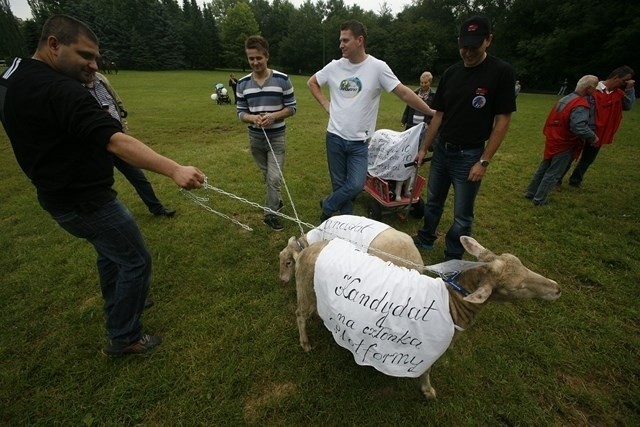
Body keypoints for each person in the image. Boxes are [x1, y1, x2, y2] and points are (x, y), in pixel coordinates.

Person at [0, 15, 205, 356]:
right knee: (136, 260)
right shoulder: (61, 90)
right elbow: (115, 140)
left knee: (111, 253)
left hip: (56, 196)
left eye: (96, 57)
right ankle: (124, 336)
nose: (94, 65)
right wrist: (174, 170)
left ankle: (122, 302)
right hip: (86, 201)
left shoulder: (12, 75)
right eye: (85, 56)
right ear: (54, 45)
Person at [308, 20, 435, 221]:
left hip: (360, 143)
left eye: (345, 40)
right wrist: (326, 105)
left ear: (360, 40)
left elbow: (403, 92)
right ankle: (344, 223)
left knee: (357, 185)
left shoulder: (377, 68)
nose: (341, 44)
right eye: (340, 40)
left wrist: (430, 111)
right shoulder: (334, 66)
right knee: (339, 185)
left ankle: (329, 204)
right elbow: (312, 82)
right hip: (334, 137)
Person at [413, 15, 516, 260]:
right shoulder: (451, 73)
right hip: (442, 152)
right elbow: (439, 115)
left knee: (462, 214)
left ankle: (453, 254)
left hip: (469, 155)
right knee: (434, 201)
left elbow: (502, 120)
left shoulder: (501, 72)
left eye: (474, 47)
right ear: (459, 41)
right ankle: (426, 237)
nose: (468, 53)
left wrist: (483, 161)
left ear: (488, 40)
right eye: (464, 47)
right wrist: (423, 148)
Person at [85, 72, 176, 217]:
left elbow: (115, 100)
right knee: (98, 185)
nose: (92, 67)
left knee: (138, 178)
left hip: (119, 141)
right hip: (96, 146)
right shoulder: (73, 88)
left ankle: (157, 209)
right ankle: (98, 216)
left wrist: (121, 118)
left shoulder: (100, 79)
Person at [236, 35, 297, 231]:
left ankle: (270, 214)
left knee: (274, 178)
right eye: (251, 59)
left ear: (267, 56)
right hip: (255, 139)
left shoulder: (282, 79)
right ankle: (276, 200)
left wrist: (274, 116)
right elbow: (240, 113)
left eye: (258, 58)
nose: (255, 62)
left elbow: (292, 108)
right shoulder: (243, 84)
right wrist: (253, 118)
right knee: (267, 176)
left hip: (276, 137)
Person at [525, 75, 599, 205]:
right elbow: (578, 126)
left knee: (544, 167)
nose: (595, 91)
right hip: (565, 142)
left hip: (553, 138)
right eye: (594, 88)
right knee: (554, 172)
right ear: (589, 88)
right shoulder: (580, 104)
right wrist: (592, 137)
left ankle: (531, 192)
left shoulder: (565, 99)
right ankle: (540, 199)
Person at [560, 66, 635, 188]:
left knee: (587, 160)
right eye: (624, 81)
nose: (625, 83)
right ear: (616, 77)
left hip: (601, 133)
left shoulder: (618, 94)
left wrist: (630, 89)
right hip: (586, 130)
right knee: (570, 156)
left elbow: (628, 106)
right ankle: (558, 179)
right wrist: (589, 133)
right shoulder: (592, 90)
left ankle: (575, 180)